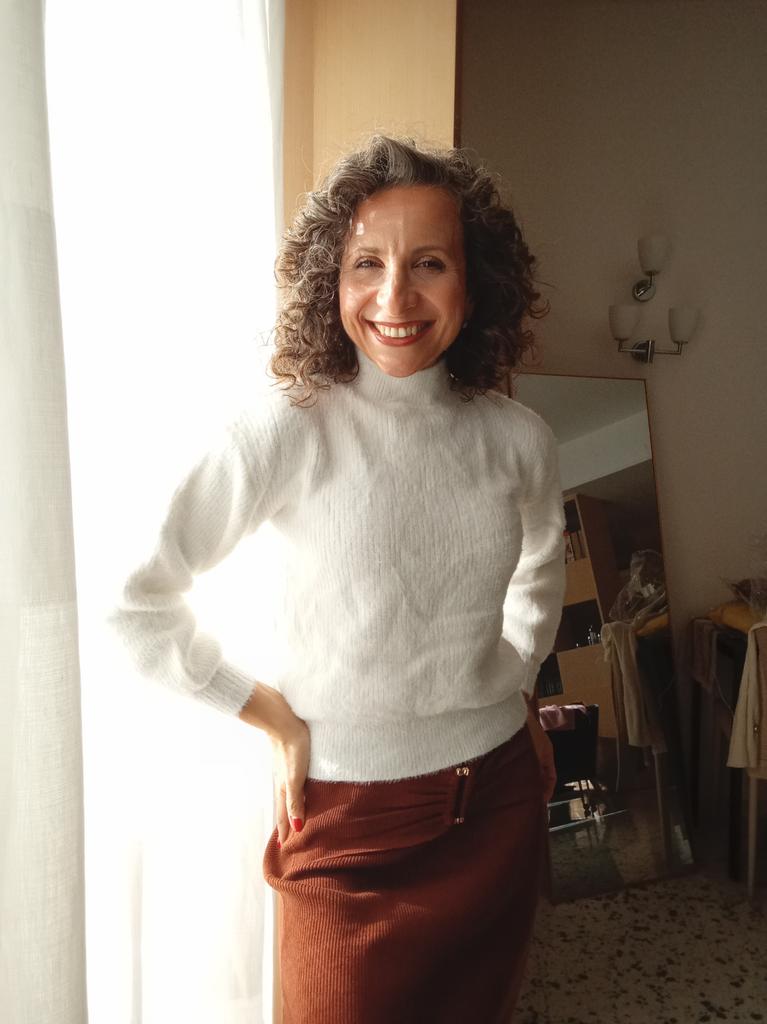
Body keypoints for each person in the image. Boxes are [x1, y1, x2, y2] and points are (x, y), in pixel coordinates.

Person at [109, 135, 566, 1024]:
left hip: (499, 799)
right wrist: (263, 711)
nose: (394, 298)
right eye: (367, 263)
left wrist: (517, 687)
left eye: (429, 263)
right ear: (331, 278)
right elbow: (135, 601)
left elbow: (539, 571)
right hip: (346, 825)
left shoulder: (517, 438)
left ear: (476, 284)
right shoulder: (288, 427)